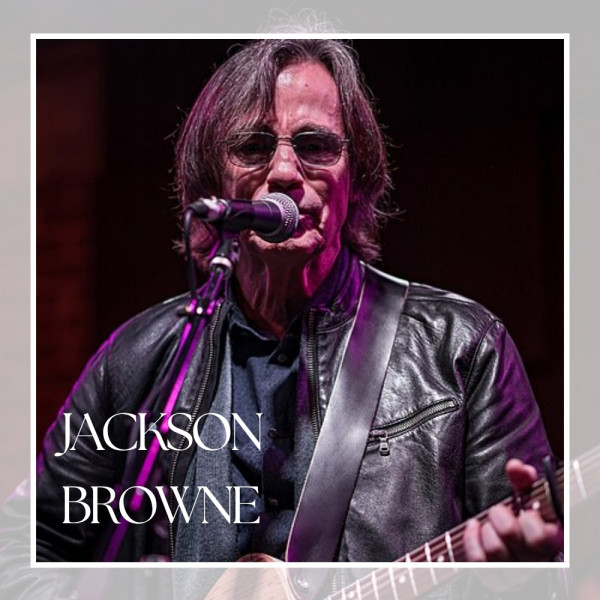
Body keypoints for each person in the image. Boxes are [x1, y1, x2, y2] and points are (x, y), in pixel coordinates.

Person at [35, 39, 563, 565]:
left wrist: (518, 577)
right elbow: (27, 550)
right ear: (213, 183)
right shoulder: (137, 361)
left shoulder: (461, 347)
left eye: (315, 145)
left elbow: (546, 564)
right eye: (253, 147)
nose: (284, 171)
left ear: (356, 177)